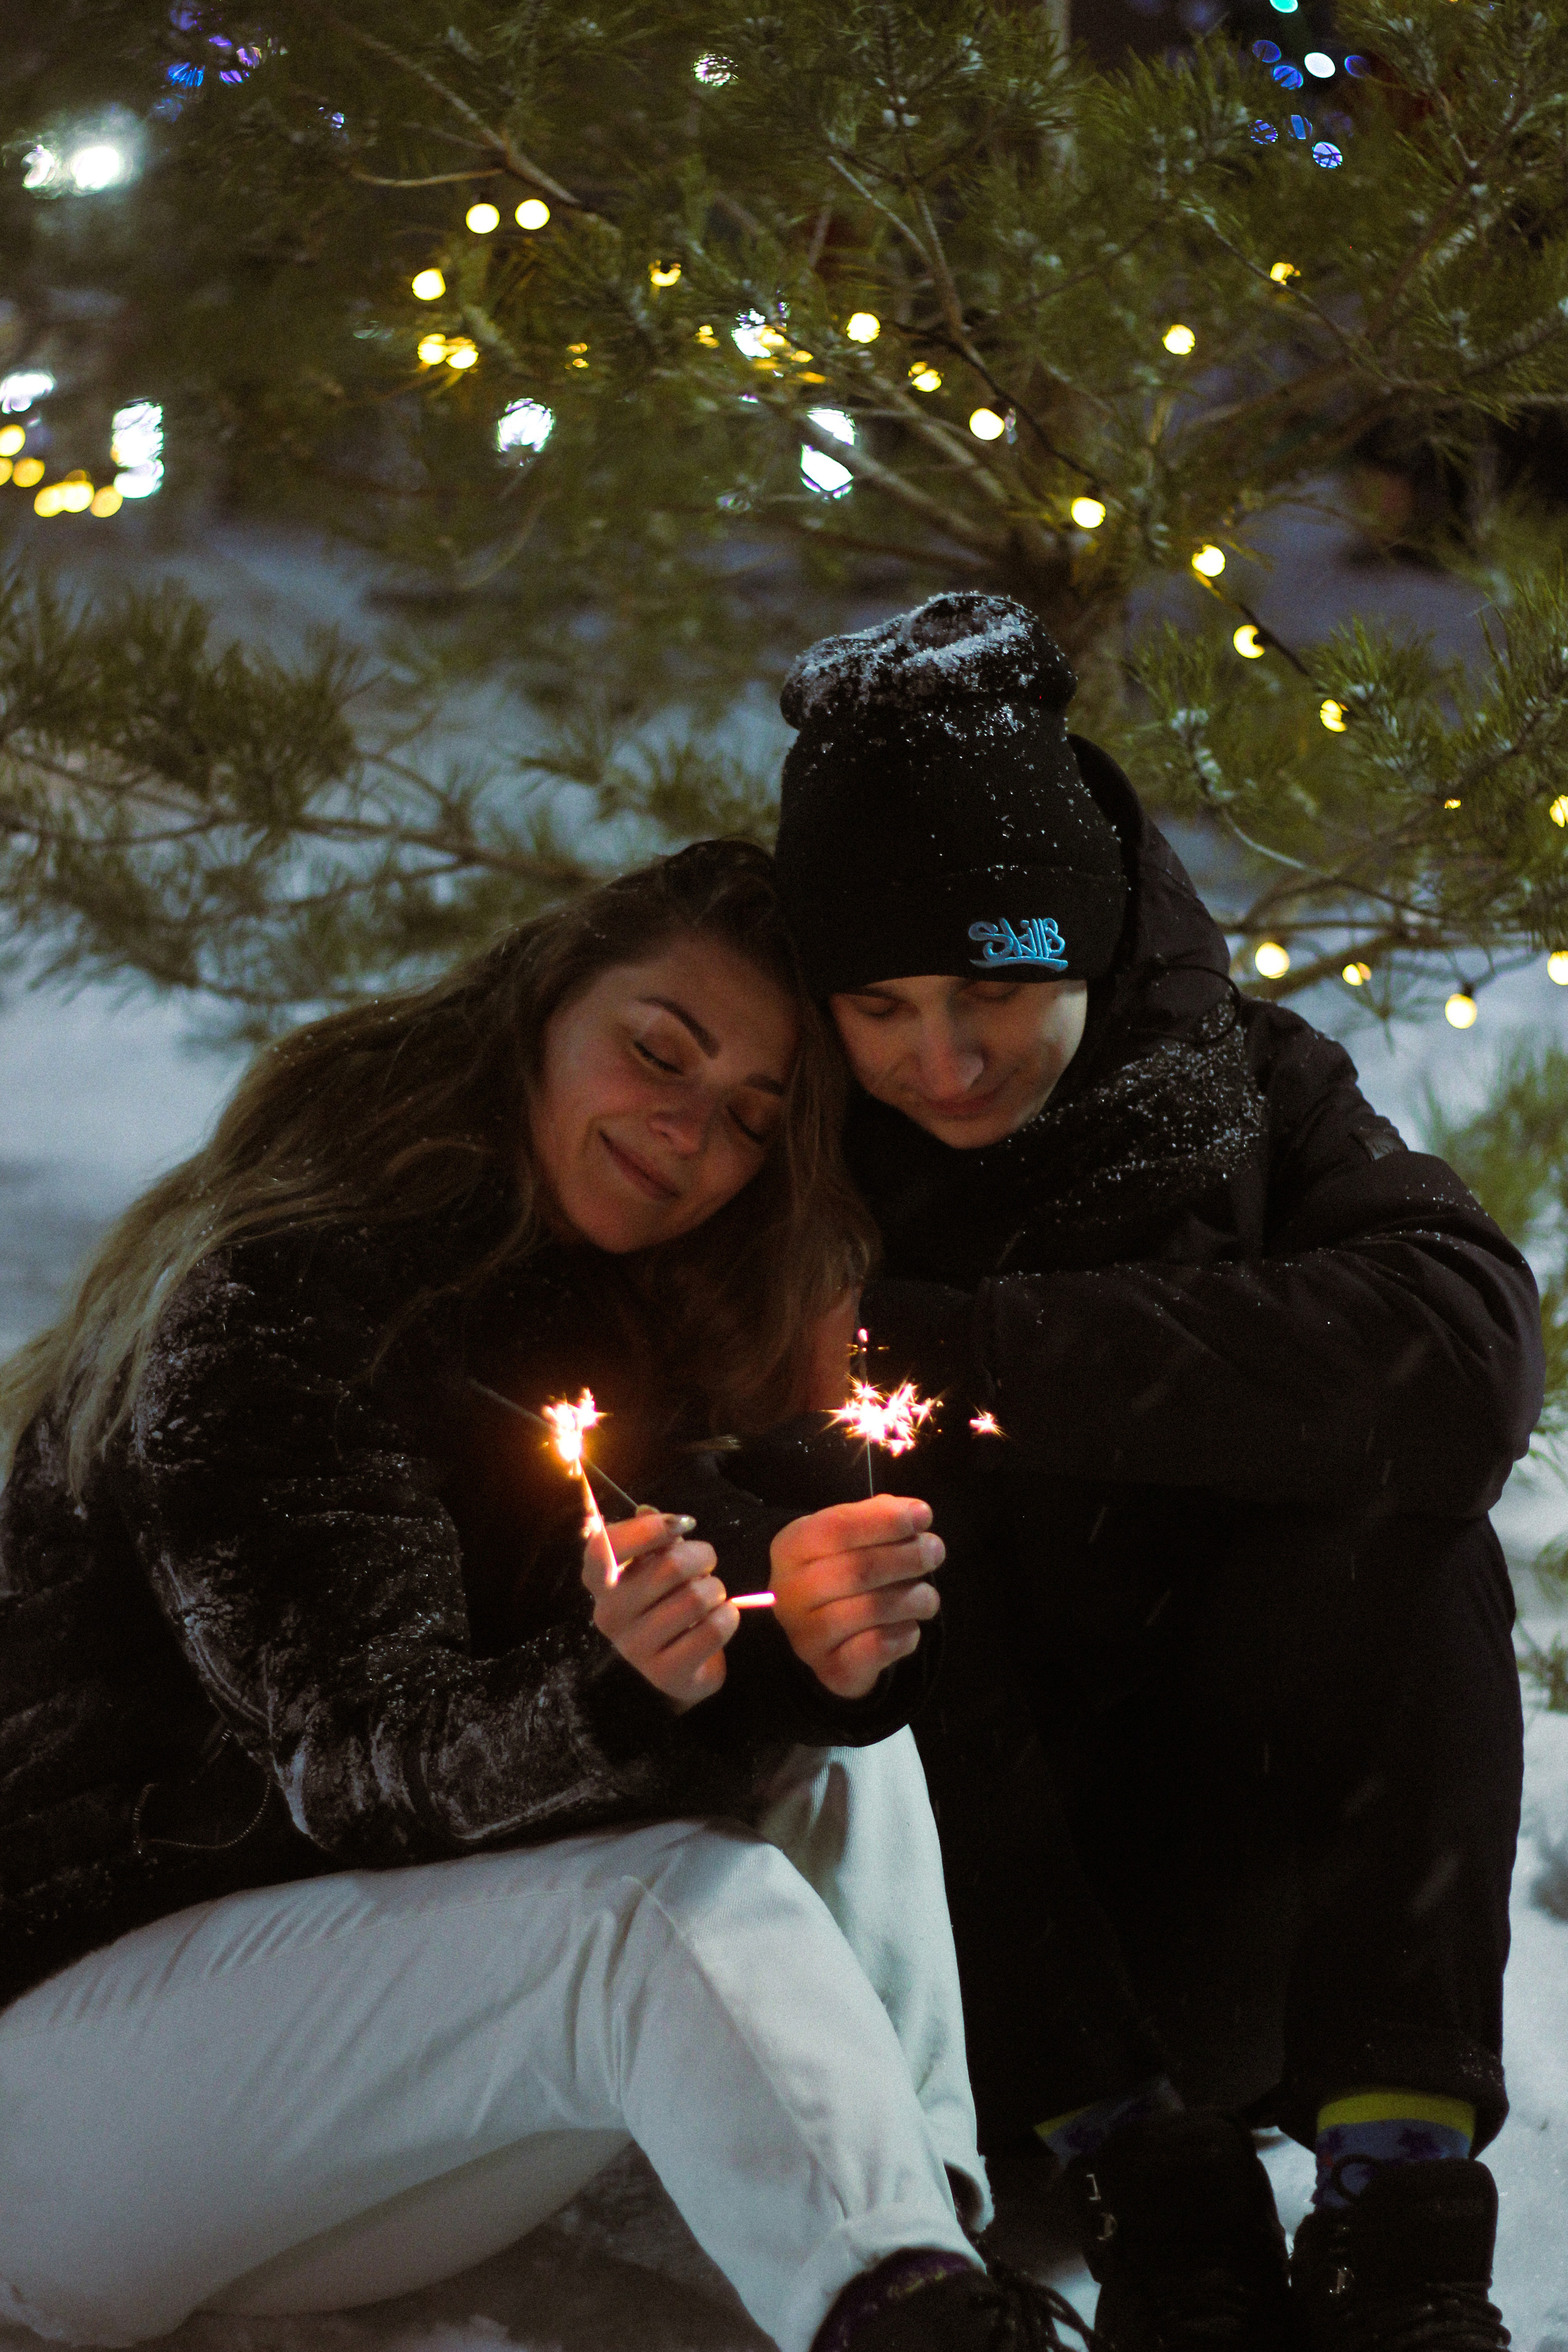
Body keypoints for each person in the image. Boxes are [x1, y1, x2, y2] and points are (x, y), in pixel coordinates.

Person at [0, 840, 1080, 2352]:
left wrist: (796, 1647)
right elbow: (361, 1777)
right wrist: (615, 1683)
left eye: (745, 1121)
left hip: (313, 2121)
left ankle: (927, 2268)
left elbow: (671, 1691)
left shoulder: (608, 1333)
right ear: (538, 1005)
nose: (681, 1128)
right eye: (656, 1052)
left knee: (851, 1756)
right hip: (63, 2097)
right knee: (654, 1916)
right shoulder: (278, 1303)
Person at [767, 595, 1543, 2352]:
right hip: (971, 1963)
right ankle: (1143, 2189)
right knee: (884, 1557)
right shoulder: (786, 1162)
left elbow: (1464, 1357)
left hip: (1254, 1888)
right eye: (878, 1006)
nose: (941, 1060)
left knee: (1411, 1527)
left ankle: (1400, 2210)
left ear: (1096, 948)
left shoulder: (1254, 1094)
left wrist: (967, 1350)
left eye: (996, 987)